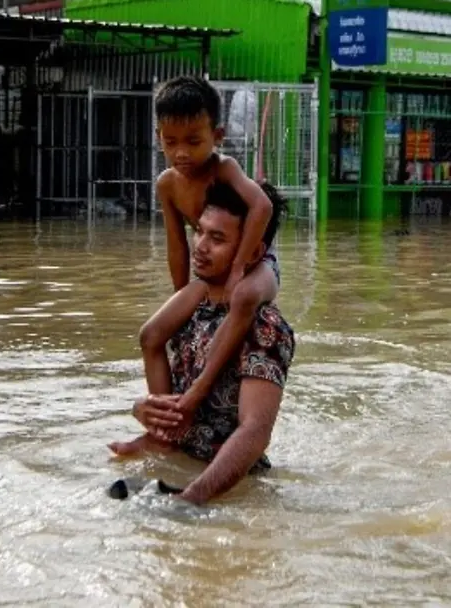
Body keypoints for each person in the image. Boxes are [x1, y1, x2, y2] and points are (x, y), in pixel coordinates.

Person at [108, 180, 296, 506]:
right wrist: (150, 415)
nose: (201, 246)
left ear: (252, 253)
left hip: (227, 493)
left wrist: (191, 498)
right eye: (200, 231)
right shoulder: (193, 306)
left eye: (217, 238)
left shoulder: (265, 327)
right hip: (175, 467)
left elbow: (255, 432)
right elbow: (151, 343)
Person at [140, 76, 281, 434]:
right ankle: (167, 424)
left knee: (246, 295)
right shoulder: (167, 184)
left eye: (193, 141)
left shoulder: (224, 168)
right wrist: (181, 295)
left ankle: (198, 393)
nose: (181, 153)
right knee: (152, 334)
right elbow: (176, 244)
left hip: (257, 259)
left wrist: (237, 269)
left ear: (217, 137)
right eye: (170, 142)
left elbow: (261, 207)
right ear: (158, 137)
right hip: (212, 271)